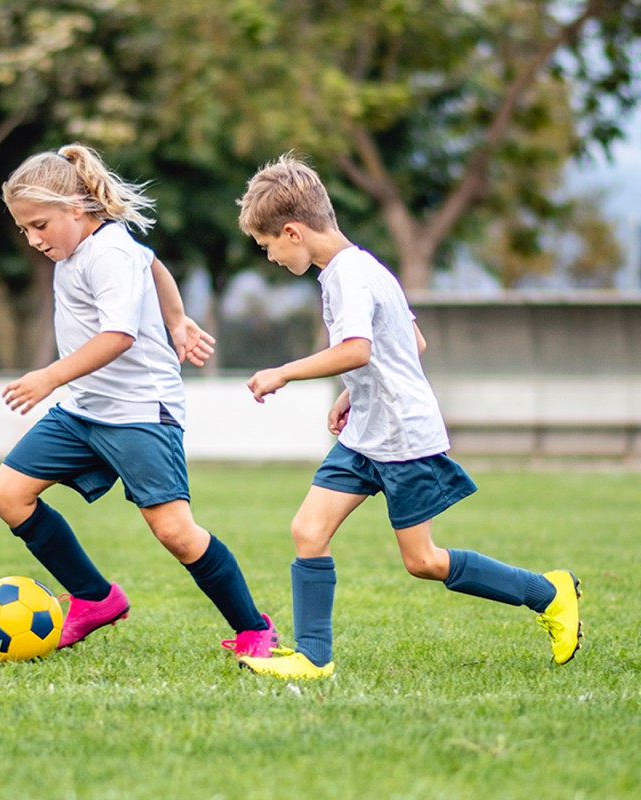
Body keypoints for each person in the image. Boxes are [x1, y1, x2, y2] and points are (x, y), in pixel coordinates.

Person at [234, 152, 581, 680]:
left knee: (423, 561)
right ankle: (313, 658)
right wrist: (354, 392)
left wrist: (285, 372)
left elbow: (357, 349)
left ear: (292, 232)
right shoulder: (359, 266)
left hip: (401, 436)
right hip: (365, 433)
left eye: (268, 247)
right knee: (308, 530)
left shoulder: (349, 276)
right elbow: (410, 341)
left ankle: (548, 593)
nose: (271, 258)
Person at [0, 143, 278, 659]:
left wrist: (50, 376)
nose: (33, 240)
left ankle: (254, 628)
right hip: (84, 411)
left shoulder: (109, 252)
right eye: (24, 230)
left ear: (75, 208)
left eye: (39, 225)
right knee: (9, 495)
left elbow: (118, 335)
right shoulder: (85, 249)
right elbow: (154, 263)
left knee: (175, 533)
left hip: (141, 413)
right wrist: (177, 319)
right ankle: (95, 599)